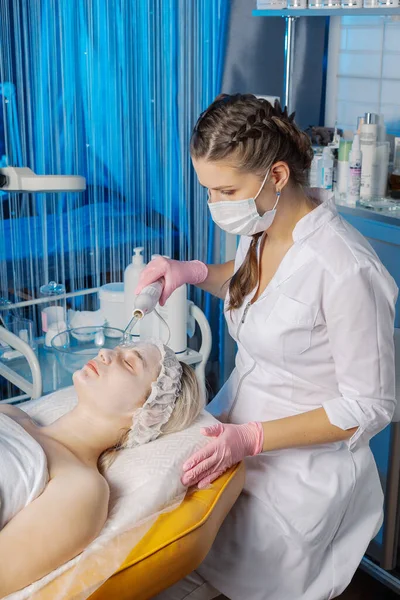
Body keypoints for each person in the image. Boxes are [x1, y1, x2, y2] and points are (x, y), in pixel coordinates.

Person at [135, 94, 398, 600]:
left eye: (225, 190)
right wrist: (191, 273)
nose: (216, 205)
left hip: (299, 473)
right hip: (233, 434)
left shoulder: (347, 270)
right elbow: (257, 293)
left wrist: (251, 439)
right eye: (208, 191)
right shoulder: (261, 229)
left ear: (276, 175)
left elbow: (370, 405)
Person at [0, 340, 203, 597]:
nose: (105, 353)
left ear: (148, 412)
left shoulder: (81, 488)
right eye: (117, 349)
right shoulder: (11, 413)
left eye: (129, 363)